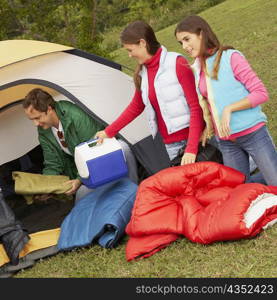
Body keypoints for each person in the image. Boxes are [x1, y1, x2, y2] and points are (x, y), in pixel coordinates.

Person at [175, 15, 277, 185]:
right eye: (181, 43)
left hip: (253, 134)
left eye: (187, 39)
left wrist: (230, 109)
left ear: (201, 34)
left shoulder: (231, 57)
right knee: (239, 191)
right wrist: (209, 126)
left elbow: (261, 93)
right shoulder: (198, 68)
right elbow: (212, 101)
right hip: (227, 142)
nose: (184, 46)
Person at [95, 20, 204, 165]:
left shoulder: (176, 63)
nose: (129, 55)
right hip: (171, 145)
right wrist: (109, 131)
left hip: (195, 140)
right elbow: (136, 106)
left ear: (142, 43)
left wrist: (191, 148)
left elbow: (195, 107)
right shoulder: (143, 73)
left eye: (130, 50)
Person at [23, 88, 138, 203]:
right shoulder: (44, 131)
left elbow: (92, 150)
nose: (35, 124)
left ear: (49, 109)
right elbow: (53, 163)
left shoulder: (74, 116)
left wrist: (79, 180)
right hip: (84, 172)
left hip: (102, 159)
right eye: (32, 120)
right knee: (81, 196)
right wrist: (45, 186)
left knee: (124, 148)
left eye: (37, 118)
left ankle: (136, 195)